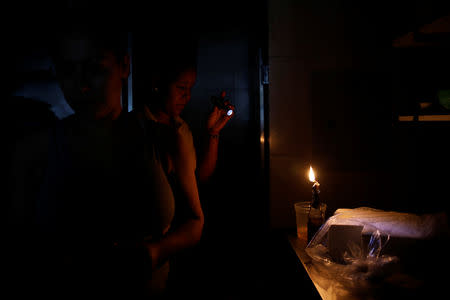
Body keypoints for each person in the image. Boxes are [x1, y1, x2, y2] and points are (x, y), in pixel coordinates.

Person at [7, 25, 203, 299]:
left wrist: (156, 251)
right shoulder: (34, 150)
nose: (82, 85)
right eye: (67, 70)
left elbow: (195, 221)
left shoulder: (165, 140)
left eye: (94, 68)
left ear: (124, 65)